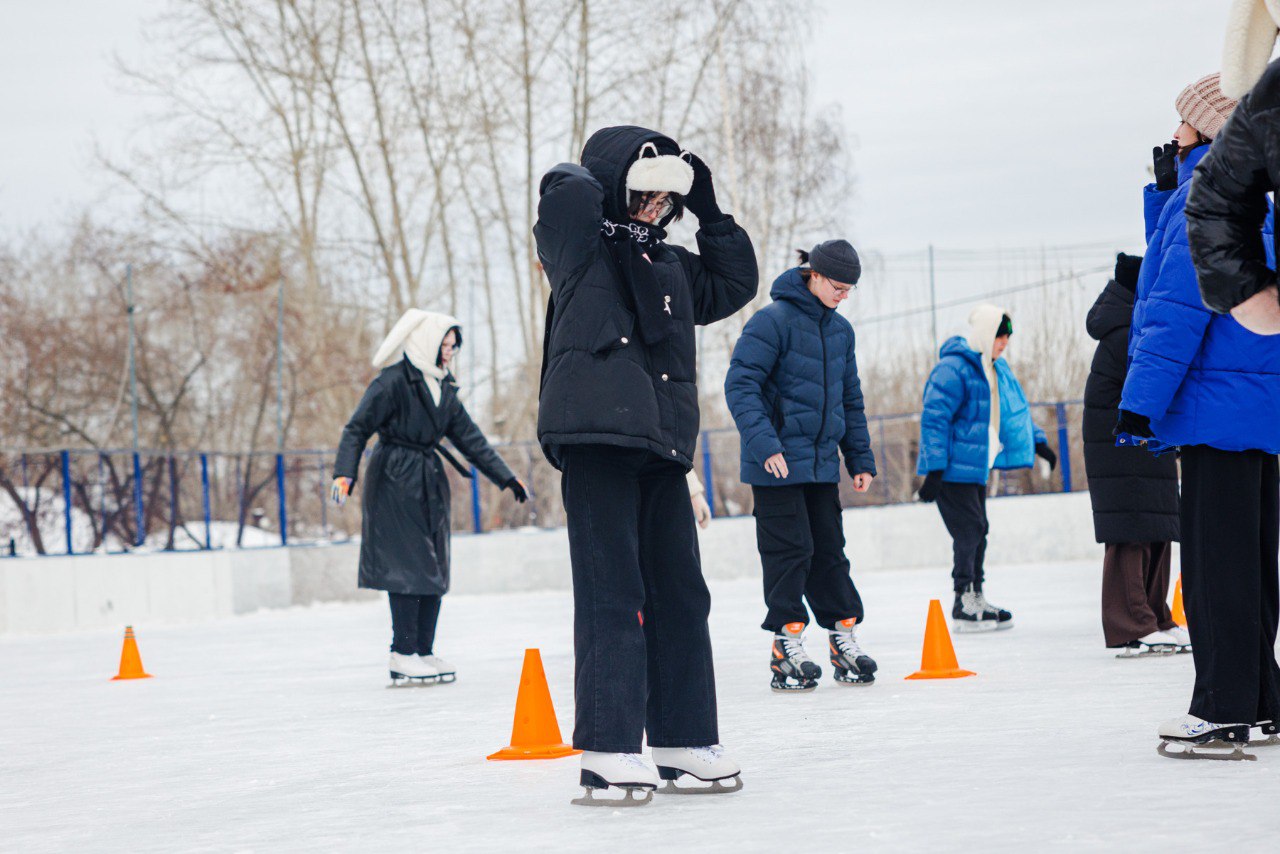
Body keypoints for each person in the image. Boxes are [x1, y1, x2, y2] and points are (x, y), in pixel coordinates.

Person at [534, 126, 758, 803]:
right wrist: (616, 173)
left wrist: (709, 206)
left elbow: (734, 281)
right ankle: (607, 749)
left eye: (666, 199)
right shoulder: (580, 250)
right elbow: (563, 193)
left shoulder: (672, 266)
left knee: (680, 596)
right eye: (644, 193)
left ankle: (682, 740)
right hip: (597, 440)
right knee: (614, 593)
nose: (654, 207)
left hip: (662, 447)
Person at [1138, 56, 1280, 755]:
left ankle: (1222, 704)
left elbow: (1172, 308)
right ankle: (1263, 696)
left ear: (1206, 127)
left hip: (1214, 412)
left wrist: (1139, 408)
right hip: (1259, 413)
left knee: (1217, 564)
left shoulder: (1210, 199)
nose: (1174, 130)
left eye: (1185, 117)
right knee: (1252, 561)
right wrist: (1165, 186)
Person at [332, 310, 527, 685]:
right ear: (427, 343)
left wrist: (506, 478)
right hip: (392, 479)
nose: (450, 353)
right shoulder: (391, 383)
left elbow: (471, 439)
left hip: (428, 481)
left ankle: (422, 650)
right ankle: (401, 652)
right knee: (407, 566)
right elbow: (356, 428)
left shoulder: (444, 388)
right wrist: (344, 473)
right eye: (446, 346)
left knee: (433, 564)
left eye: (454, 346)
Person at [724, 242, 877, 693]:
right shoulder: (772, 321)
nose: (842, 295)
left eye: (849, 290)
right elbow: (740, 385)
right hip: (774, 464)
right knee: (789, 554)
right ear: (813, 273)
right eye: (837, 286)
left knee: (830, 553)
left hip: (821, 464)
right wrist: (765, 443)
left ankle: (842, 638)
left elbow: (850, 399)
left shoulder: (841, 331)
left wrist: (859, 457)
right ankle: (785, 645)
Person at [915, 305, 1056, 632]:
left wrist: (1039, 442)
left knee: (979, 529)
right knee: (970, 529)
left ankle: (976, 594)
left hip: (977, 467)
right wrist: (934, 471)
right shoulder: (953, 370)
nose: (1004, 341)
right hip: (951, 469)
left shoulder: (996, 370)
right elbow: (935, 420)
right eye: (999, 335)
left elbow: (1014, 413)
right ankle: (963, 599)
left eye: (1007, 335)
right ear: (983, 334)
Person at [1083, 254, 1182, 657]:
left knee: (1158, 530)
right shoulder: (1124, 334)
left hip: (1144, 443)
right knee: (1133, 533)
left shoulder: (1136, 327)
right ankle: (1131, 623)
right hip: (1120, 448)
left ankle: (1156, 616)